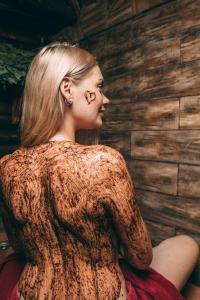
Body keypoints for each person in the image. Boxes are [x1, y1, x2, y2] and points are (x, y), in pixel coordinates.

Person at [0, 41, 199, 300]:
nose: (106, 99)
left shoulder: (6, 166)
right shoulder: (104, 161)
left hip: (28, 294)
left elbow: (18, 245)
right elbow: (140, 258)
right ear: (67, 89)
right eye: (99, 86)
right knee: (185, 244)